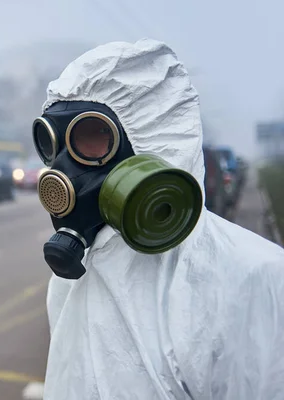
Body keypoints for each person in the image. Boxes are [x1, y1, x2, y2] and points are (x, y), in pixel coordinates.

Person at [33, 39, 284, 399]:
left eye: (93, 136)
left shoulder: (252, 277)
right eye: (52, 142)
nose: (61, 168)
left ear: (152, 143)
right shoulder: (73, 278)